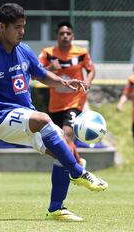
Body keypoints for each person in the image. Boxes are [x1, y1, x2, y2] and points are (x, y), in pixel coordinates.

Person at [0, 3, 108, 221]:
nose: (22, 32)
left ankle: (56, 209)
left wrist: (66, 82)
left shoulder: (23, 50)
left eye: (23, 26)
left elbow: (42, 75)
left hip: (25, 115)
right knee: (44, 119)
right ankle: (78, 173)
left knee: (64, 149)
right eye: (17, 27)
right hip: (0, 119)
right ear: (1, 26)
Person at [38, 21, 95, 169]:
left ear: (73, 36)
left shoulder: (81, 53)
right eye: (62, 33)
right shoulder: (48, 53)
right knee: (60, 139)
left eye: (68, 33)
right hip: (55, 104)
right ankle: (78, 163)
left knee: (67, 134)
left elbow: (91, 70)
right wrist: (51, 67)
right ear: (56, 36)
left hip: (75, 101)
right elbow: (36, 72)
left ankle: (74, 169)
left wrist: (87, 82)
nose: (65, 36)